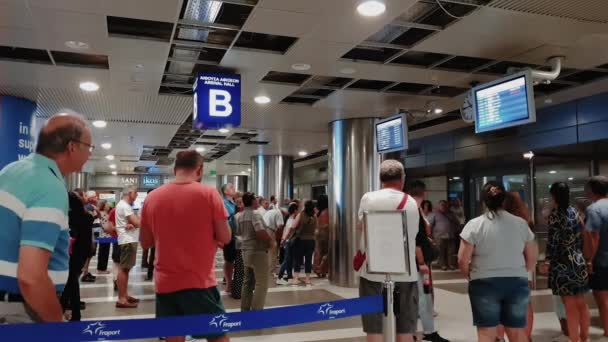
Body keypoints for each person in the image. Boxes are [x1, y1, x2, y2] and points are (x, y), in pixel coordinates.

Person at [0, 113, 92, 323]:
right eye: (89, 147)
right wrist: (57, 324)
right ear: (72, 147)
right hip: (21, 310)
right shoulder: (48, 185)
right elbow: (31, 277)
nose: (89, 154)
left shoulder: (12, 170)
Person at [140, 150, 231, 342]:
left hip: (165, 282)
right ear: (200, 169)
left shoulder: (153, 197)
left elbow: (146, 242)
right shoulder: (208, 194)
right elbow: (225, 236)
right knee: (216, 336)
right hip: (199, 281)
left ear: (175, 169)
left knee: (174, 336)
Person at [458, 181, 538, 342]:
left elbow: (462, 260)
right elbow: (532, 256)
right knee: (517, 332)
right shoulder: (521, 224)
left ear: (483, 201)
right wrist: (522, 270)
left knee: (487, 332)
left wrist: (471, 275)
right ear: (504, 200)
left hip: (483, 282)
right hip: (516, 281)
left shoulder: (474, 225)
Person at [357, 160, 420, 342]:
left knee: (373, 326)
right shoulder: (411, 202)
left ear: (380, 179)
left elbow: (361, 226)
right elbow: (413, 233)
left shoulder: (368, 198)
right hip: (405, 270)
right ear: (402, 179)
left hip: (372, 271)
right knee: (406, 327)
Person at [540, 183, 590, 342]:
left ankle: (574, 339)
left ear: (554, 196)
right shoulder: (575, 212)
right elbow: (582, 235)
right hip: (578, 259)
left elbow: (553, 242)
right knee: (581, 302)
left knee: (569, 304)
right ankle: (584, 337)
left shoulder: (555, 215)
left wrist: (547, 261)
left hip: (562, 262)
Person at [407, 181, 450, 342]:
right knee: (424, 296)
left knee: (414, 297)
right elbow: (416, 240)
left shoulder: (411, 209)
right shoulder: (414, 211)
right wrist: (422, 262)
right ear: (423, 193)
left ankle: (411, 331)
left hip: (412, 261)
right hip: (418, 262)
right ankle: (429, 331)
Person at [502, 192, 536, 341]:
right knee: (525, 304)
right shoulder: (525, 222)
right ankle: (526, 337)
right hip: (521, 269)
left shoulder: (497, 222)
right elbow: (530, 251)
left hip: (500, 270)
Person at [60, 189, 94, 321]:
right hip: (80, 255)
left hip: (69, 254)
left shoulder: (66, 217)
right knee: (72, 283)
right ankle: (74, 314)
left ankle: (63, 311)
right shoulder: (86, 217)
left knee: (70, 284)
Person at [238, 192, 273, 311]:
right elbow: (260, 232)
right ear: (253, 201)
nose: (258, 201)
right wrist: (270, 240)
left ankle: (245, 308)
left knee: (248, 281)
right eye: (256, 199)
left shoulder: (241, 216)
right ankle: (257, 311)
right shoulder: (255, 215)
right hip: (257, 251)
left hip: (245, 251)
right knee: (261, 283)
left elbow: (238, 233)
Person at [584, 176, 608, 337]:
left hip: (601, 261)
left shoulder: (593, 209)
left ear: (592, 190)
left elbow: (594, 237)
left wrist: (589, 260)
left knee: (603, 299)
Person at [115, 185, 141, 308]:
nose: (136, 195)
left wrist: (134, 222)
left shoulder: (123, 206)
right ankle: (121, 298)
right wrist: (137, 221)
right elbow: (137, 223)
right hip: (128, 240)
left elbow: (134, 223)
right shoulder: (124, 206)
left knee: (125, 269)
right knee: (124, 269)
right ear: (129, 193)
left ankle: (124, 295)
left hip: (127, 239)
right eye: (135, 193)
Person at [291, 200, 317, 286]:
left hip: (300, 240)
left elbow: (293, 226)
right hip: (311, 240)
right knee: (308, 260)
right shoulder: (314, 216)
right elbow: (316, 229)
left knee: (298, 259)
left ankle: (296, 278)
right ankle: (307, 279)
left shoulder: (300, 215)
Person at [277, 203, 299, 285]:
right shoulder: (292, 220)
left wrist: (283, 239)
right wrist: (285, 240)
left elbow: (285, 231)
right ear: (295, 210)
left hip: (287, 241)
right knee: (286, 260)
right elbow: (289, 231)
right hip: (289, 241)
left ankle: (289, 277)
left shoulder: (289, 219)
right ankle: (279, 277)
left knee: (288, 260)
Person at [221, 183, 238, 293]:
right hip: (230, 235)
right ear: (225, 192)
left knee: (237, 260)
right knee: (229, 260)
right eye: (231, 187)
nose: (234, 189)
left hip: (238, 235)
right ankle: (228, 283)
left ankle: (230, 280)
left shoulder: (236, 203)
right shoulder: (224, 203)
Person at [433, 200, 459, 270]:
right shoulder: (435, 214)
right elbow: (431, 225)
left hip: (451, 235)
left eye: (445, 205)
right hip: (439, 236)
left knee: (451, 251)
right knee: (441, 252)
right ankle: (442, 265)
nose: (444, 206)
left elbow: (457, 223)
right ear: (439, 206)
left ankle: (450, 264)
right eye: (442, 205)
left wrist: (454, 231)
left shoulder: (451, 214)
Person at [263, 197, 285, 277]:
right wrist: (281, 238)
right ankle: (270, 271)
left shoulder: (269, 212)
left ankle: (266, 269)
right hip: (270, 231)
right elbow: (280, 226)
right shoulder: (279, 212)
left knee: (267, 252)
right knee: (273, 251)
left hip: (263, 230)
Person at [80, 191, 99, 283]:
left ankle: (86, 272)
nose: (97, 198)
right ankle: (84, 272)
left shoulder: (91, 207)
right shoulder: (89, 207)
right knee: (89, 253)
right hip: (89, 233)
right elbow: (92, 217)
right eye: (95, 197)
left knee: (90, 253)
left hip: (91, 232)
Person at [314, 195, 330, 278]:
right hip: (325, 232)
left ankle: (317, 269)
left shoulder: (318, 212)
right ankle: (322, 268)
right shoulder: (327, 211)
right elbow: (327, 224)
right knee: (328, 252)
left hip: (317, 233)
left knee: (318, 251)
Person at [96, 200, 112, 275]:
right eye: (107, 205)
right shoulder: (103, 214)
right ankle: (101, 269)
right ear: (103, 206)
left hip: (106, 235)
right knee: (103, 252)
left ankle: (102, 268)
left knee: (104, 252)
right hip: (104, 235)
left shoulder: (105, 213)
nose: (108, 206)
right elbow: (105, 226)